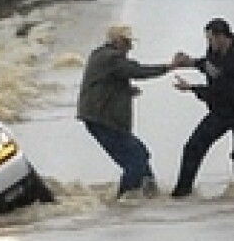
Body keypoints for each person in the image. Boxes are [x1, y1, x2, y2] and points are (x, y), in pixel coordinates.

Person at [77, 24, 182, 199]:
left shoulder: (100, 55)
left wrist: (126, 91)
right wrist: (169, 67)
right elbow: (137, 71)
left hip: (100, 119)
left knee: (139, 155)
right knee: (136, 160)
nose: (130, 47)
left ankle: (149, 195)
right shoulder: (112, 58)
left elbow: (106, 82)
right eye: (127, 42)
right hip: (103, 120)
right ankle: (123, 202)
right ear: (117, 41)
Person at [171, 18, 234, 198]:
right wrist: (191, 62)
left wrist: (192, 89)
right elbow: (211, 67)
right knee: (193, 146)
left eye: (210, 39)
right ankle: (181, 193)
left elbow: (223, 90)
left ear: (221, 37)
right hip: (222, 111)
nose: (208, 43)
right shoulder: (214, 50)